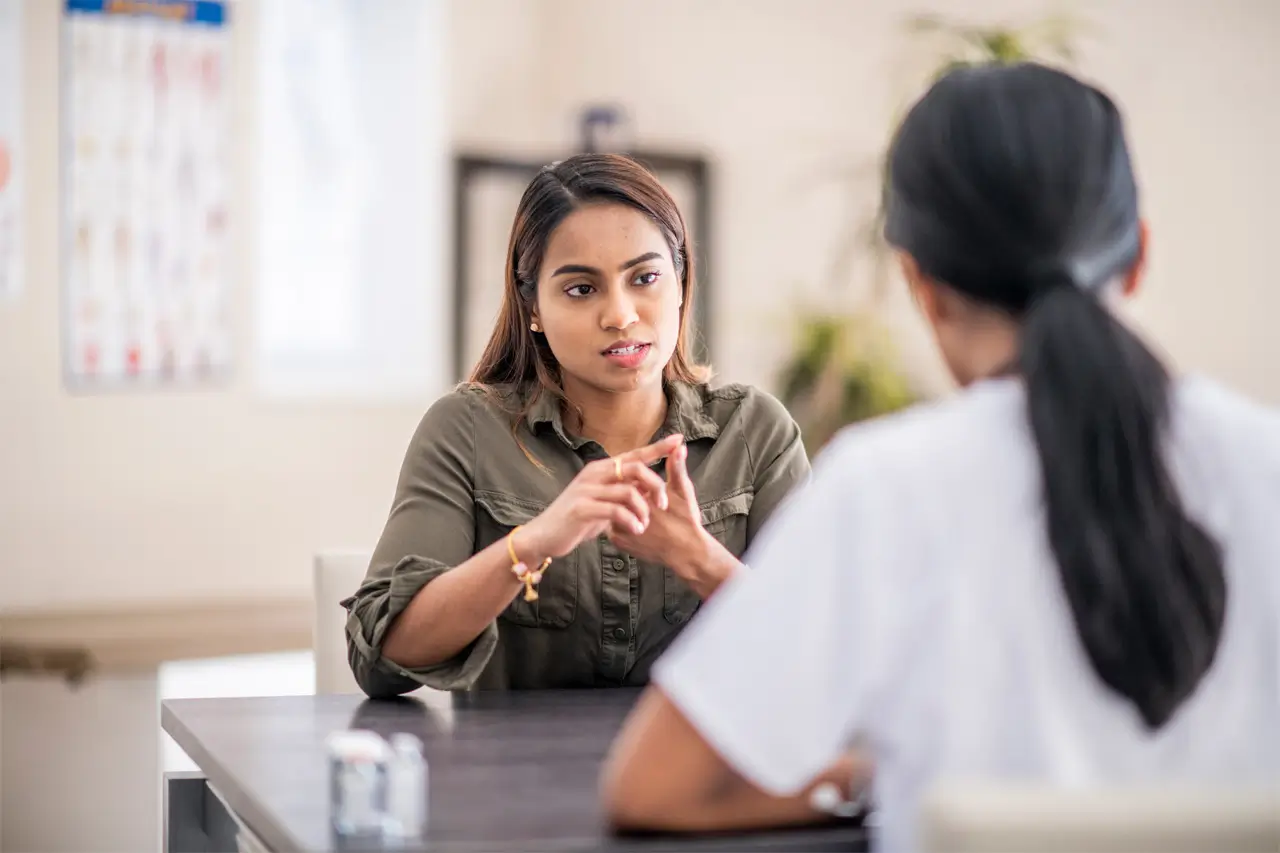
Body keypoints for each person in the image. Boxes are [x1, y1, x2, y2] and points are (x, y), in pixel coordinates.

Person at [600, 63, 1280, 850]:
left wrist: (885, 771)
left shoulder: (886, 486)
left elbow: (653, 787)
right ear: (1138, 255)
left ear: (920, 280)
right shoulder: (1266, 461)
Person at [343, 153, 810, 697]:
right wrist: (533, 542)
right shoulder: (466, 429)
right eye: (581, 289)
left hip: (705, 778)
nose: (620, 314)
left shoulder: (755, 432)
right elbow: (380, 657)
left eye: (645, 278)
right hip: (513, 775)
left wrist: (694, 555)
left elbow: (823, 656)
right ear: (533, 306)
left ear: (681, 283)